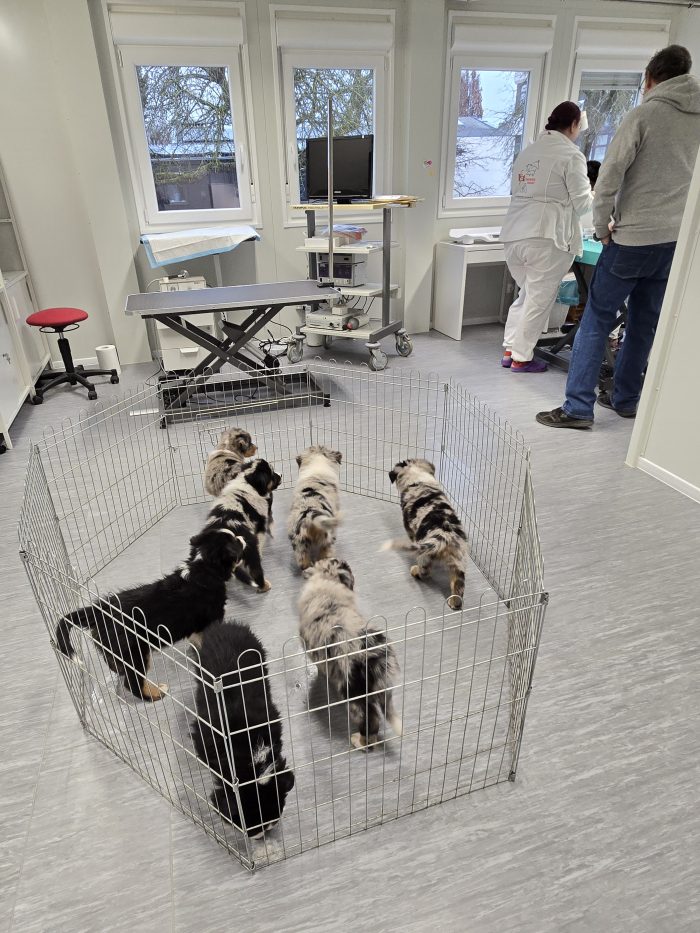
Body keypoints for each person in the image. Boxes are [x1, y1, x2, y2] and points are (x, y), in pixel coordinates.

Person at [537, 45, 700, 429]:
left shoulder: (643, 115)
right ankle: (626, 398)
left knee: (597, 318)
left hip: (631, 239)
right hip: (674, 242)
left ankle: (578, 408)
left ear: (650, 78)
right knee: (644, 321)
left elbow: (608, 177)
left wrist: (601, 229)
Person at [500, 102, 593, 372]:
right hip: (545, 236)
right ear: (574, 125)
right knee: (539, 300)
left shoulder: (528, 151)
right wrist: (598, 194)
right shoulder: (571, 155)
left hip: (514, 233)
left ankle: (510, 349)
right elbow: (582, 204)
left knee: (527, 295)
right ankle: (521, 358)